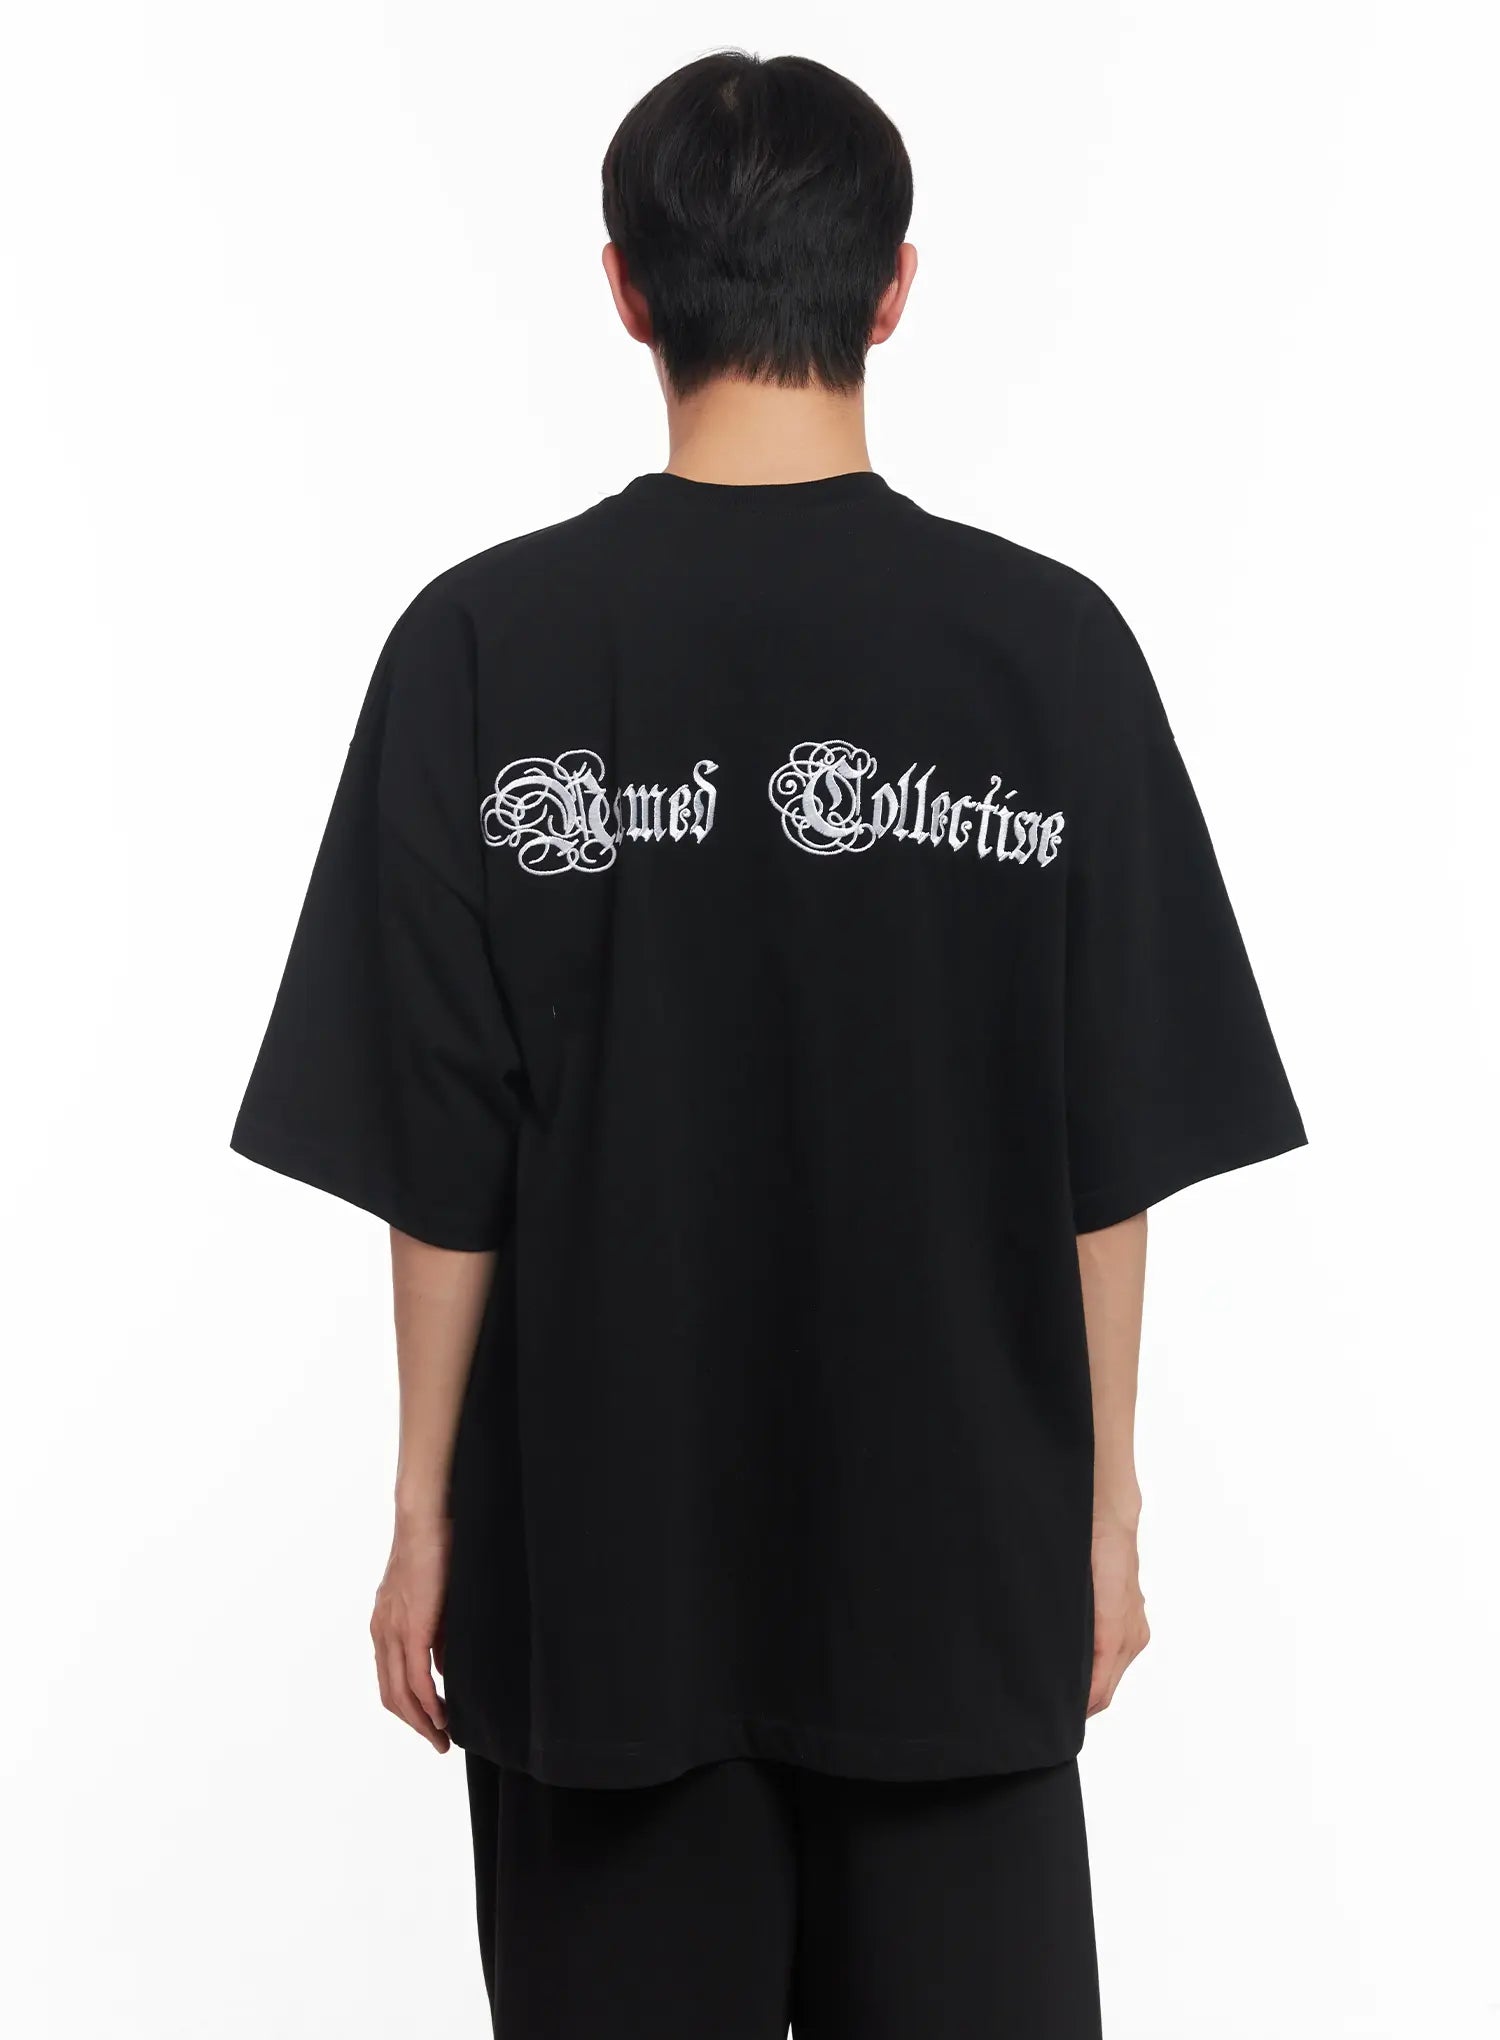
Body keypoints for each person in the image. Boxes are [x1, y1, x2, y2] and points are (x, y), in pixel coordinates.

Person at [232, 49, 1304, 2039]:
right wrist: (1104, 1513)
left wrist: (424, 1513)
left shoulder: (484, 647)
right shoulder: (1049, 654)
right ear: (894, 289)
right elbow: (1108, 1143)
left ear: (627, 290)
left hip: (599, 1585)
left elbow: (444, 1160)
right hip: (957, 1576)